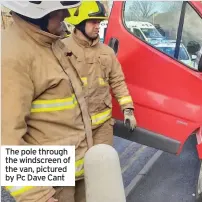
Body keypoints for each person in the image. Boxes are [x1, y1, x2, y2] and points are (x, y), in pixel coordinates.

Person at [1, 1, 94, 202]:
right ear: (36, 13)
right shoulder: (12, 56)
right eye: (59, 9)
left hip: (72, 173)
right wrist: (39, 197)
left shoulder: (50, 43)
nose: (67, 14)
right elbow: (5, 140)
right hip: (50, 185)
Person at [63, 1, 137, 147]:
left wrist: (128, 110)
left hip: (102, 128)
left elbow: (118, 82)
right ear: (79, 23)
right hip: (73, 127)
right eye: (93, 22)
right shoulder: (61, 49)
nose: (98, 26)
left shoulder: (107, 52)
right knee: (76, 168)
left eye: (99, 22)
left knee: (103, 165)